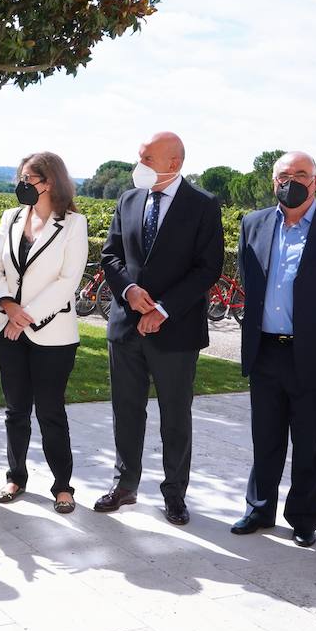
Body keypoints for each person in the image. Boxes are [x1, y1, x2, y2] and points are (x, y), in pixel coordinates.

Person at [232, 151, 316, 546]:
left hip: (315, 353)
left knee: (311, 442)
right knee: (265, 438)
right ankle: (259, 509)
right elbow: (248, 277)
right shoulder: (253, 223)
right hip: (266, 349)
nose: (292, 182)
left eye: (301, 174)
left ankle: (304, 518)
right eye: (284, 175)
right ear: (274, 182)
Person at [95, 131, 224, 525]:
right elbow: (110, 255)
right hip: (126, 326)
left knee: (175, 415)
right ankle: (125, 484)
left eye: (148, 158)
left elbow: (208, 267)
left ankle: (174, 494)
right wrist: (130, 291)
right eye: (140, 157)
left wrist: (164, 309)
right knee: (126, 410)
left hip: (176, 330)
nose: (140, 165)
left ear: (173, 163)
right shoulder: (129, 198)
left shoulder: (202, 205)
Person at [0, 152, 89, 514]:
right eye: (21, 177)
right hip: (5, 328)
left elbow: (67, 281)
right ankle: (16, 478)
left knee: (50, 411)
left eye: (30, 179)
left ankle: (63, 486)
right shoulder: (10, 218)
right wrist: (8, 308)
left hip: (52, 335)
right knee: (15, 411)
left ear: (51, 182)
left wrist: (23, 318)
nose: (22, 185)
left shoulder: (74, 224)